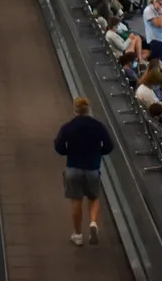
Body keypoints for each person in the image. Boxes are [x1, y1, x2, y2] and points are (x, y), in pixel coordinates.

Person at [54, 97, 113, 247]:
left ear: (75, 109)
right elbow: (109, 146)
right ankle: (93, 223)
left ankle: (78, 235)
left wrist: (68, 152)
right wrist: (98, 152)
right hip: (93, 168)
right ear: (88, 109)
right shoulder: (98, 126)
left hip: (73, 167)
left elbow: (58, 146)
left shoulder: (68, 127)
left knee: (76, 200)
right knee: (94, 198)